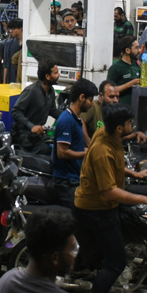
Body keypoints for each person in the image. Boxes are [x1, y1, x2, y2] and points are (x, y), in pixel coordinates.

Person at [75, 103, 147, 293]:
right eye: (129, 124)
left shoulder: (106, 134)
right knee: (117, 261)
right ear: (118, 127)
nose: (131, 126)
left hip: (104, 206)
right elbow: (109, 191)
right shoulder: (102, 150)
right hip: (97, 209)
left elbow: (115, 165)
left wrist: (134, 173)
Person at [52, 79, 97, 209]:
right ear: (81, 97)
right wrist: (86, 153)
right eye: (90, 100)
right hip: (66, 182)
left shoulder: (76, 119)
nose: (92, 104)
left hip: (75, 179)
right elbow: (62, 153)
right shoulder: (66, 120)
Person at [11, 58, 61, 155]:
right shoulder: (31, 91)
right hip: (23, 135)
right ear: (47, 76)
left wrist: (69, 116)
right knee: (45, 152)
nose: (58, 75)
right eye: (56, 73)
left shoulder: (51, 91)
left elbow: (52, 110)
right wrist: (32, 126)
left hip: (37, 136)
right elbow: (15, 111)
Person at [108, 35, 141, 105]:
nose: (139, 51)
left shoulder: (135, 65)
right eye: (136, 48)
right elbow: (109, 91)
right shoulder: (115, 68)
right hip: (121, 107)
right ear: (127, 50)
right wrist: (131, 83)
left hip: (135, 106)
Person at [0, 18, 23, 84]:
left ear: (21, 28)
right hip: (11, 79)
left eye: (13, 29)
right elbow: (6, 64)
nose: (11, 31)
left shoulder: (27, 44)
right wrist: (4, 81)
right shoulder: (9, 43)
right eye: (10, 29)